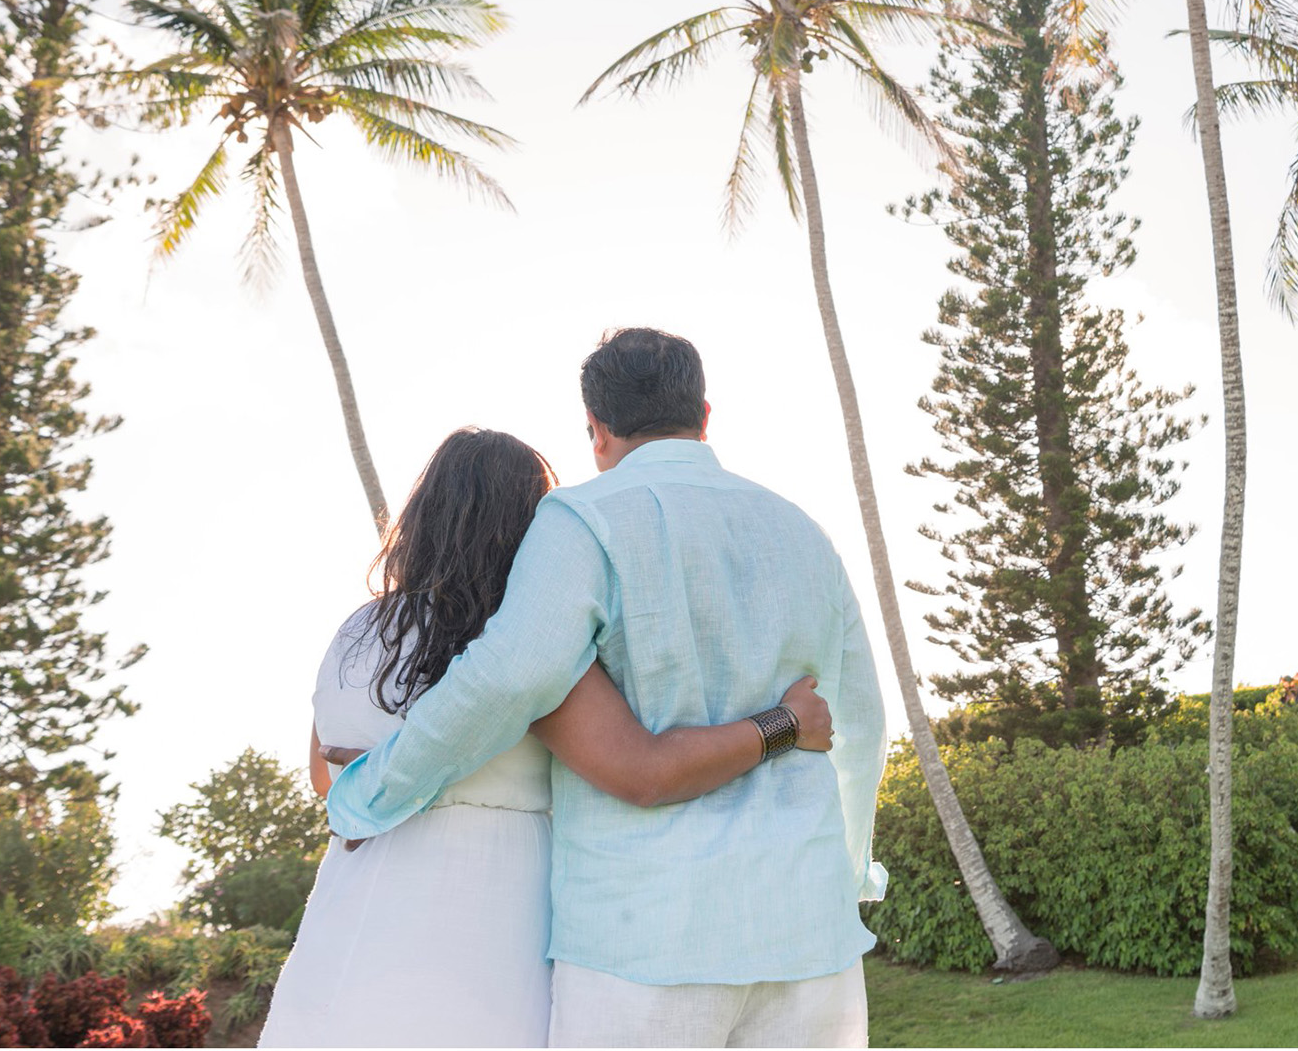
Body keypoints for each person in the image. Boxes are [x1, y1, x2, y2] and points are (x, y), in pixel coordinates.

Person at [326, 327, 890, 1048]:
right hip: (810, 933)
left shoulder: (583, 519)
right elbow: (861, 725)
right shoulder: (803, 531)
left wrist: (373, 792)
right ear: (704, 415)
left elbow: (509, 677)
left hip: (648, 941)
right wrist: (846, 875)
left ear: (596, 429)